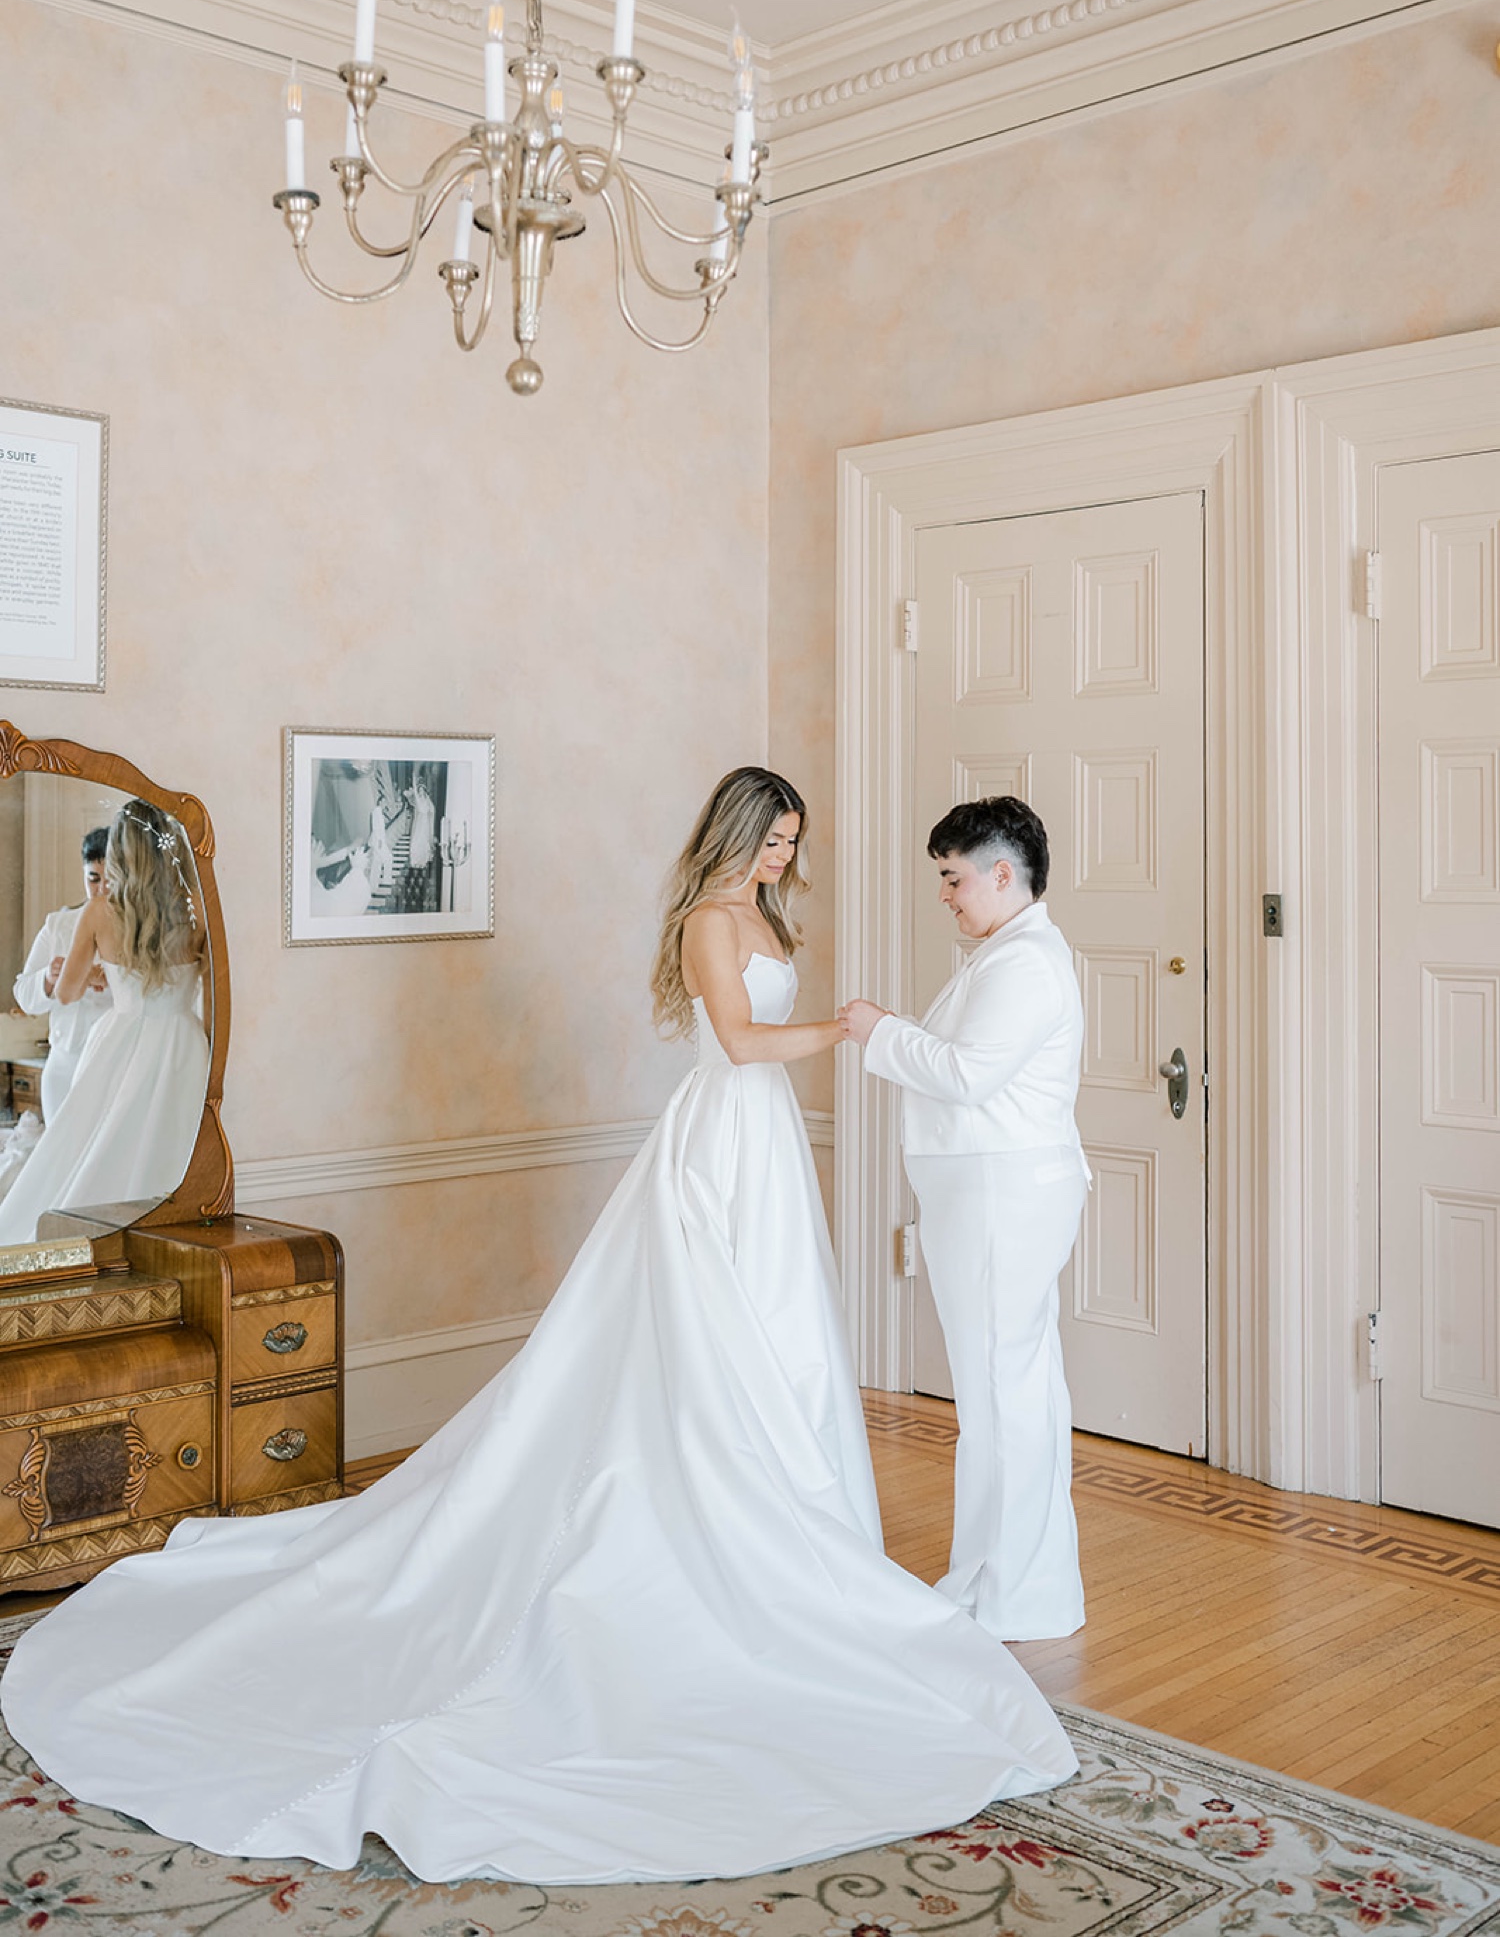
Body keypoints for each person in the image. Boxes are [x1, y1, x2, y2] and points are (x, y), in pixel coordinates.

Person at [1, 768, 1075, 1887]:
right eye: (772, 842)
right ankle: (725, 1538)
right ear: (737, 836)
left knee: (785, 1337)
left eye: (791, 845)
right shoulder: (711, 922)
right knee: (709, 1344)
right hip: (727, 1135)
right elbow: (743, 1046)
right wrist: (844, 1031)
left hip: (767, 1153)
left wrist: (836, 1026)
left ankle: (810, 1534)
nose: (781, 860)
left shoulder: (766, 912)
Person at [840, 796, 1089, 1644]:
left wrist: (878, 1032)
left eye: (952, 879)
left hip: (1000, 1199)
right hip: (997, 1194)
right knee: (1011, 1391)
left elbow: (967, 1075)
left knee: (1000, 1394)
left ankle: (1009, 1591)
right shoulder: (1013, 953)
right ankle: (1010, 1582)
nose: (946, 896)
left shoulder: (1023, 964)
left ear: (1000, 873)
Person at [0, 800, 209, 1242]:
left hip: (122, 1040)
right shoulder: (198, 912)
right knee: (167, 1153)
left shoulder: (99, 913)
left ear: (121, 852)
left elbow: (68, 992)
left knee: (95, 1150)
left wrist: (76, 977)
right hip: (185, 1044)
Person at [11, 825, 113, 1123]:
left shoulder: (135, 931)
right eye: (93, 879)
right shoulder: (58, 925)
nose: (102, 889)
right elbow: (24, 995)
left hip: (113, 1062)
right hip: (63, 1065)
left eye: (110, 880)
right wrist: (48, 979)